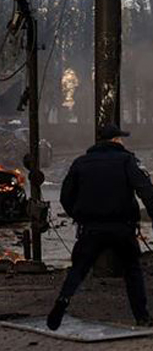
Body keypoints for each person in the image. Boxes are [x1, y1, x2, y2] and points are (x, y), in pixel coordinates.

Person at [47, 123, 153, 330]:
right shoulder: (127, 161)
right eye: (120, 138)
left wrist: (80, 216)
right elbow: (145, 189)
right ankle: (142, 316)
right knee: (132, 270)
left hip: (91, 229)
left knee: (78, 270)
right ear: (115, 140)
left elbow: (65, 196)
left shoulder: (81, 162)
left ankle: (63, 300)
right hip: (122, 228)